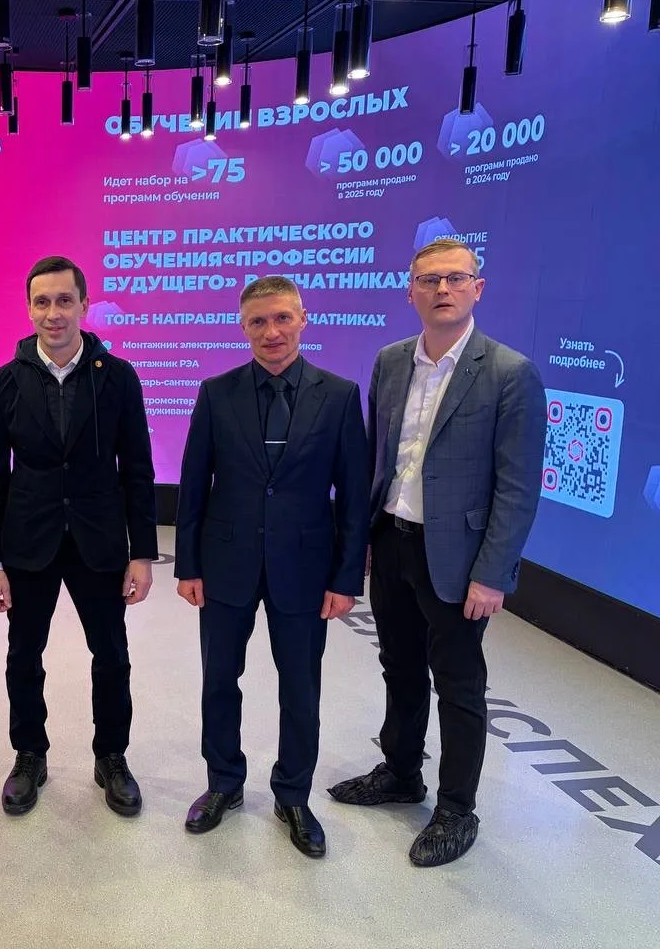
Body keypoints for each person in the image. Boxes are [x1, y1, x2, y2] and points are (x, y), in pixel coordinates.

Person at [328, 239, 546, 867]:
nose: (442, 289)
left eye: (455, 278)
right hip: (393, 540)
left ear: (478, 287)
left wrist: (493, 574)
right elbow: (380, 456)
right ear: (410, 291)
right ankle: (401, 772)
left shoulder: (509, 372)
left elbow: (517, 487)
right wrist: (363, 541)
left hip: (458, 559)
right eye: (428, 280)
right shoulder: (391, 361)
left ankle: (456, 806)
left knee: (458, 681)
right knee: (398, 665)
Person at [174, 275, 368, 857]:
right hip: (226, 562)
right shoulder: (216, 393)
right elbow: (193, 485)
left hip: (305, 568)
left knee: (300, 687)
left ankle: (293, 795)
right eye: (258, 321)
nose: (272, 332)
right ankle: (223, 783)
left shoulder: (339, 396)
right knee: (219, 680)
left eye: (283, 318)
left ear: (303, 319)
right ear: (243, 327)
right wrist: (188, 566)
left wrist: (346, 578)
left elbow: (353, 496)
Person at [0, 255, 157, 818]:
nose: (53, 313)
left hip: (98, 541)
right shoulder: (5, 381)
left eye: (64, 300)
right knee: (23, 655)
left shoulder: (118, 376)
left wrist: (143, 552)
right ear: (29, 309)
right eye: (42, 302)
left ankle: (112, 757)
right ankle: (29, 754)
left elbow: (138, 469)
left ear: (84, 304)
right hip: (27, 541)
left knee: (112, 654)